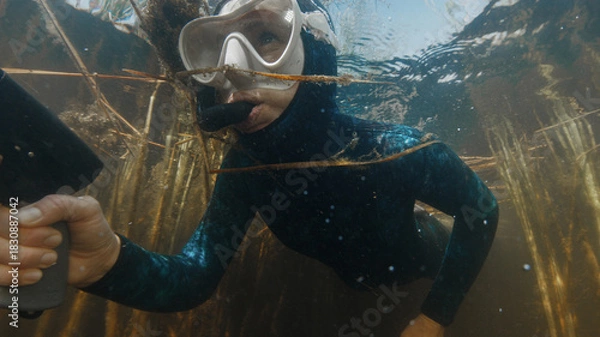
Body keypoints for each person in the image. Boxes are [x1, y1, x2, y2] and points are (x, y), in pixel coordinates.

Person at [0, 0, 498, 336]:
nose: (233, 70)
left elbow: (481, 208)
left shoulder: (393, 148)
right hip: (356, 283)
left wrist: (436, 315)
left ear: (316, 54)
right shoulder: (245, 174)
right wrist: (108, 261)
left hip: (425, 256)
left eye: (265, 37)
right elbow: (192, 278)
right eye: (214, 49)